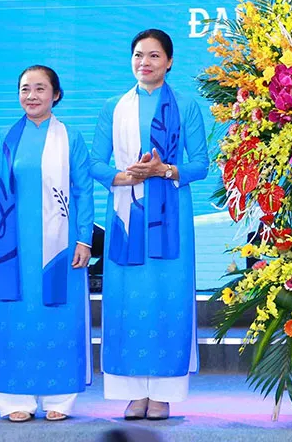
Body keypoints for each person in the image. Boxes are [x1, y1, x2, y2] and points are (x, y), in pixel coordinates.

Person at [90, 29, 208, 421]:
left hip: (172, 216)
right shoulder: (113, 107)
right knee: (127, 301)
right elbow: (95, 163)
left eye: (154, 55)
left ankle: (163, 392)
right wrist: (126, 176)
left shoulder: (186, 105)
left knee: (167, 299)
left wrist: (165, 170)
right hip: (126, 217)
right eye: (139, 55)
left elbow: (201, 164)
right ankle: (131, 391)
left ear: (169, 62)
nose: (145, 62)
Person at [0, 66, 94, 422]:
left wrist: (84, 239)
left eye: (40, 88)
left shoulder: (71, 137)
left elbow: (83, 190)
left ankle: (60, 397)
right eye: (25, 89)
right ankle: (15, 398)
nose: (31, 95)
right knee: (14, 318)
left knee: (59, 316)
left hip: (60, 247)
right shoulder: (5, 138)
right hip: (13, 246)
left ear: (55, 95)